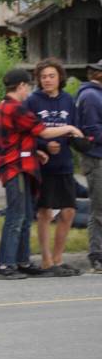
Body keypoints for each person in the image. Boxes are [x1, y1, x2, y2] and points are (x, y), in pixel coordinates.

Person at [0, 69, 82, 280]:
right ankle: (5, 265)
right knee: (16, 217)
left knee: (25, 217)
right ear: (22, 86)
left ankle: (22, 261)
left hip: (23, 164)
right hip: (15, 167)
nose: (29, 90)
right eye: (28, 86)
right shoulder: (15, 108)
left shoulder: (7, 106)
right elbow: (43, 131)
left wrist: (36, 152)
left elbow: (21, 137)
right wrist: (69, 127)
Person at [26, 58, 81, 276]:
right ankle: (46, 260)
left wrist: (68, 142)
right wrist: (43, 145)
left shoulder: (68, 100)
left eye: (51, 76)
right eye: (43, 76)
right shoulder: (32, 101)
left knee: (68, 212)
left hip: (64, 163)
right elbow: (27, 131)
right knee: (45, 213)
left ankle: (58, 258)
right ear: (38, 79)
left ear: (59, 78)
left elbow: (74, 129)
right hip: (43, 165)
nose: (47, 80)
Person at [75, 58, 102, 274]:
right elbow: (93, 132)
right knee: (99, 210)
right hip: (96, 159)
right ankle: (97, 255)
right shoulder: (91, 97)